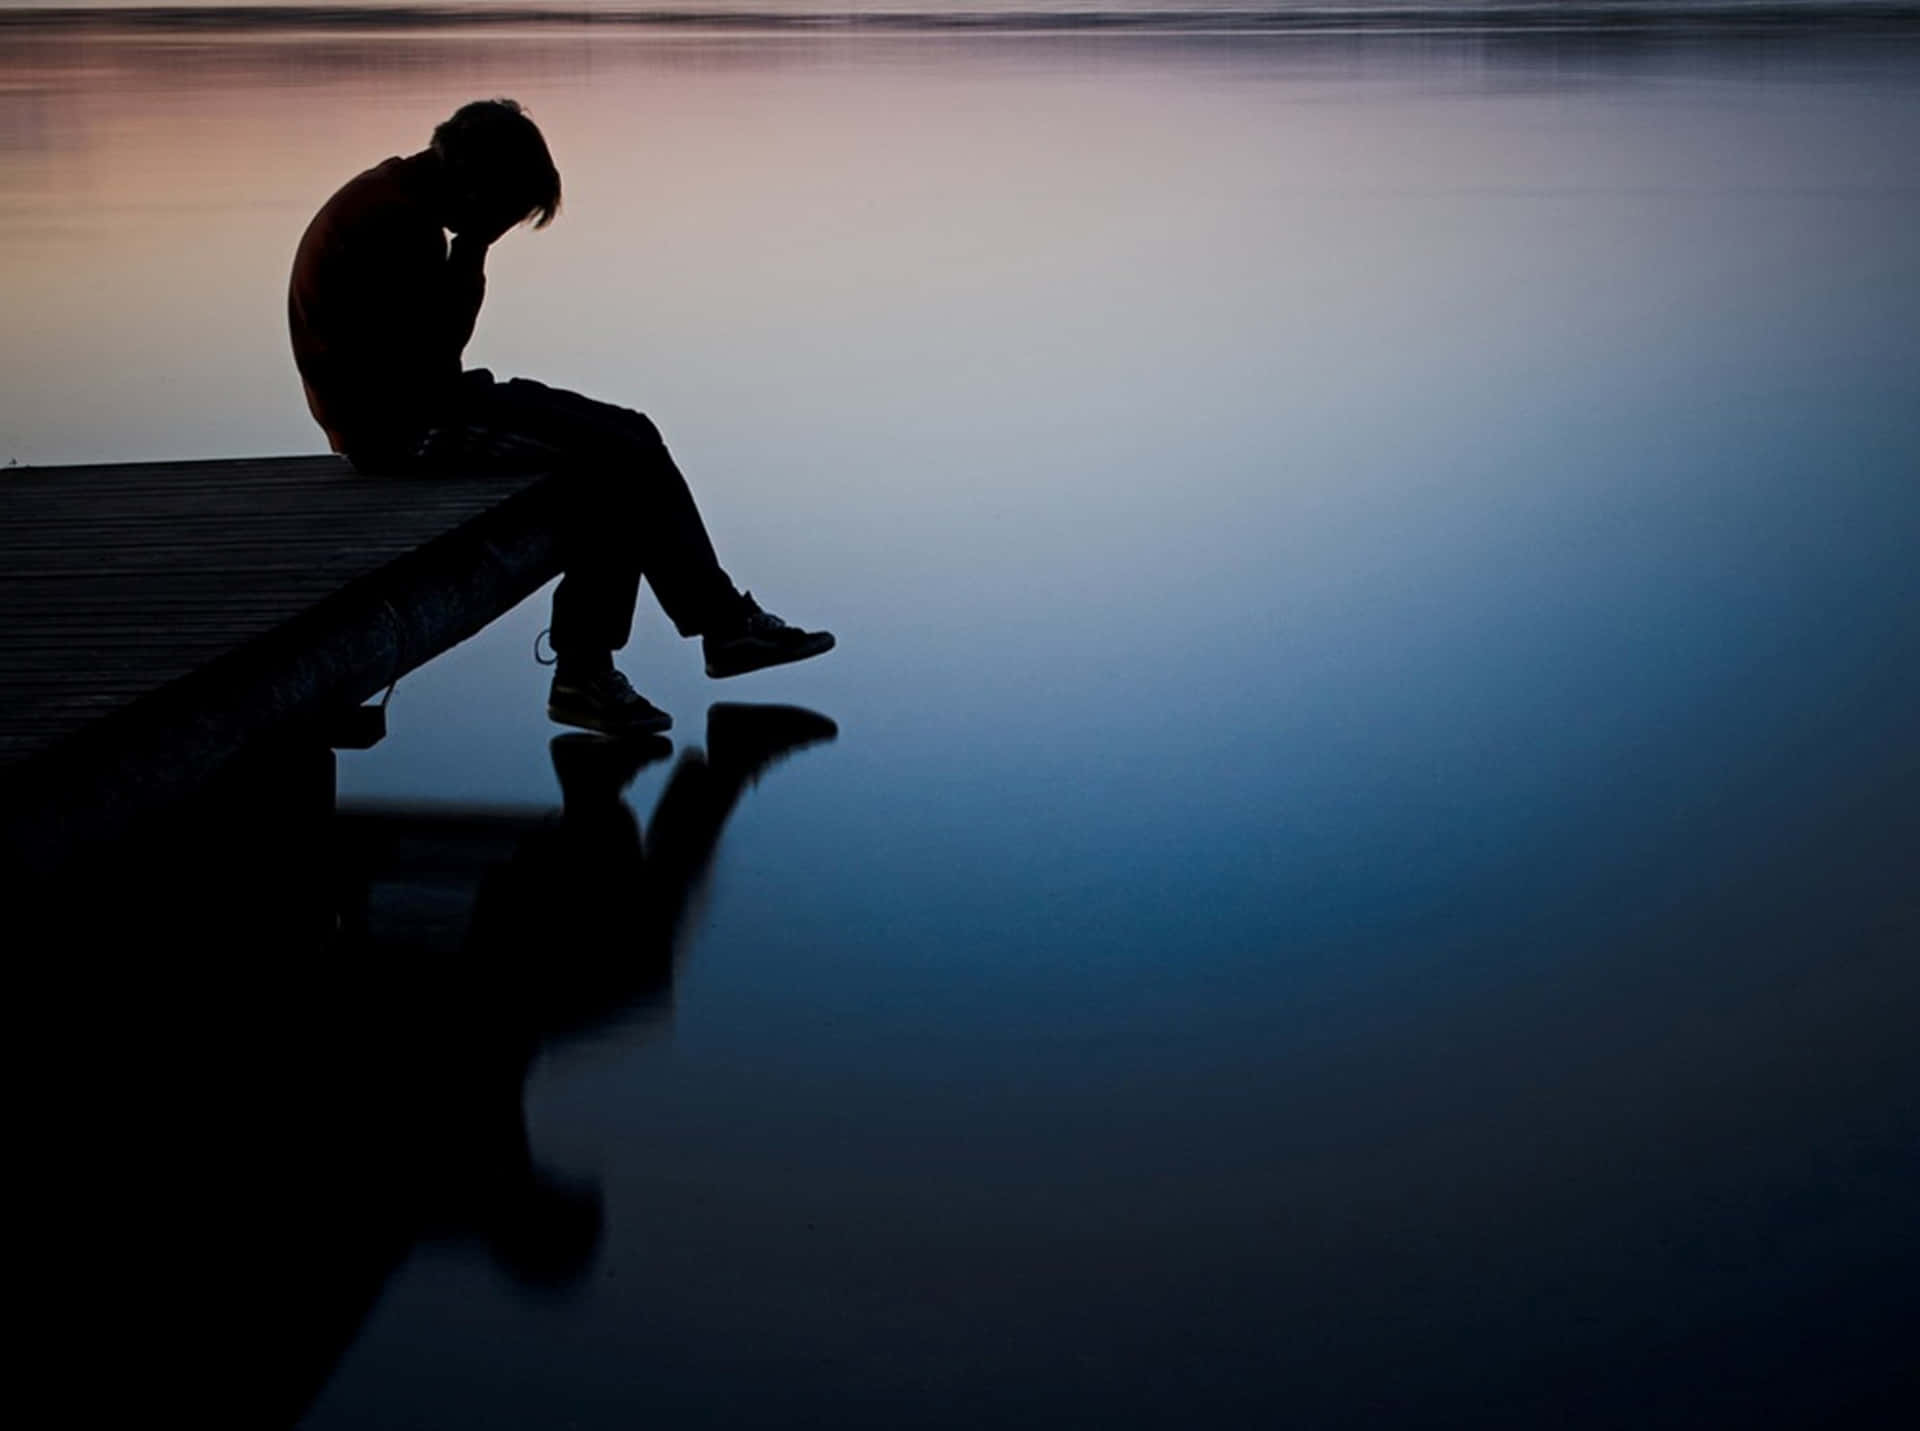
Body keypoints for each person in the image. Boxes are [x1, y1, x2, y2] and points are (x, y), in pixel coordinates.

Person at [288, 98, 833, 736]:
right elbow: (435, 356)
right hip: (399, 428)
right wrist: (472, 253)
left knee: (628, 434)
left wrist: (466, 248)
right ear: (474, 186)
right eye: (502, 214)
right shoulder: (395, 225)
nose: (498, 227)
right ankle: (624, 660)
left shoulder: (396, 200)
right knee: (610, 462)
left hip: (419, 399)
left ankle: (676, 643)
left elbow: (431, 356)